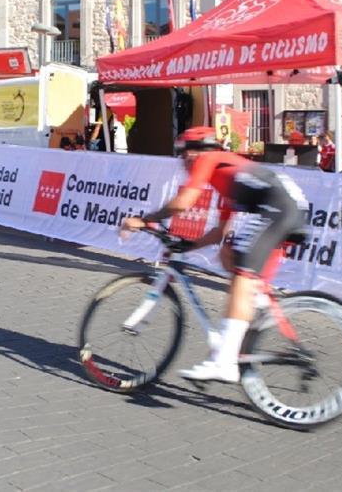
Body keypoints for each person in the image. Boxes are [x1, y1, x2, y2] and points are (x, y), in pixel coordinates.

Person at [120, 126, 308, 382]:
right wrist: (185, 247)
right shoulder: (227, 175)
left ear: (195, 151)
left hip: (279, 207)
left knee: (243, 273)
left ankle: (224, 362)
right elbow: (219, 233)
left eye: (182, 154)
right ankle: (252, 312)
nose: (181, 160)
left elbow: (184, 201)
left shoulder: (208, 159)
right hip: (283, 206)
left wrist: (145, 220)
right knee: (228, 254)